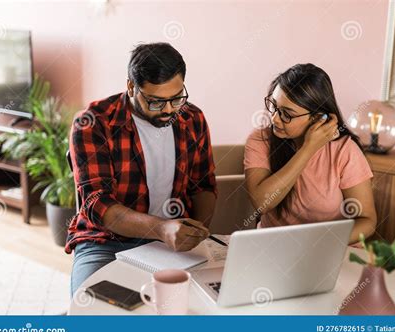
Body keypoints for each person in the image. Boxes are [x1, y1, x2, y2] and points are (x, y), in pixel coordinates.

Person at [67, 42, 217, 296]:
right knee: (93, 309)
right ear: (131, 87)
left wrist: (196, 230)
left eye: (176, 98)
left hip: (173, 241)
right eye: (156, 102)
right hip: (105, 242)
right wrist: (161, 229)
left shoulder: (192, 118)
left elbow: (203, 186)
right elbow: (97, 204)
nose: (169, 109)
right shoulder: (93, 123)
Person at [244, 63, 376, 244]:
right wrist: (308, 149)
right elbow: (261, 202)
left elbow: (367, 221)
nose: (274, 118)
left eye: (286, 114)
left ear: (317, 118)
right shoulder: (261, 140)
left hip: (330, 250)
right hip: (274, 249)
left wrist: (318, 242)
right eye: (273, 106)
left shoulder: (344, 150)